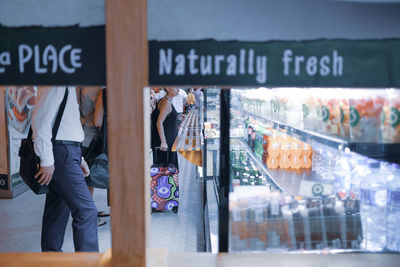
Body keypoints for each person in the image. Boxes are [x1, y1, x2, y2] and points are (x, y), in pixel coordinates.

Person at [31, 86, 98, 252]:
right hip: (62, 152)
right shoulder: (56, 82)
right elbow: (40, 120)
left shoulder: (66, 84)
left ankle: (51, 259)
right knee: (86, 211)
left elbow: (64, 124)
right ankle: (88, 263)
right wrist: (46, 160)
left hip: (68, 151)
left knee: (58, 210)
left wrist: (79, 158)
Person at [78, 87, 108, 226]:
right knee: (86, 178)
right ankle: (89, 215)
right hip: (90, 136)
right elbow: (97, 121)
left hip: (86, 135)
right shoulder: (95, 90)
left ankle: (91, 210)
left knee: (88, 177)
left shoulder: (82, 87)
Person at [151, 87, 179, 169]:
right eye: (176, 87)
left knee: (166, 170)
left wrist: (178, 117)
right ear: (168, 88)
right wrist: (163, 142)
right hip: (166, 143)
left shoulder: (165, 100)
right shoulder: (166, 103)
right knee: (166, 170)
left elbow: (166, 118)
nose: (178, 89)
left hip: (169, 142)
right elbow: (159, 122)